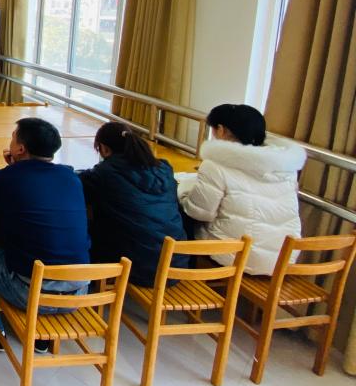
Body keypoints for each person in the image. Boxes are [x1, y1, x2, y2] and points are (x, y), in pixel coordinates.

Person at [0, 118, 90, 351]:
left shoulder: (12, 178)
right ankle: (42, 334)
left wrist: (12, 168)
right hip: (78, 293)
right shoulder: (71, 178)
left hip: (30, 293)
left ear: (20, 149)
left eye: (13, 137)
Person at [178, 103, 305, 275]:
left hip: (236, 256)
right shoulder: (286, 167)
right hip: (282, 258)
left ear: (221, 130)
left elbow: (199, 212)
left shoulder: (215, 165)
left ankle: (184, 278)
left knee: (182, 218)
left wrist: (183, 191)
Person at [78, 122, 188, 286]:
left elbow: (77, 185)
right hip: (176, 263)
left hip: (139, 267)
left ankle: (89, 278)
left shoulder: (105, 173)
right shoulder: (164, 169)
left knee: (88, 223)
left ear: (104, 149)